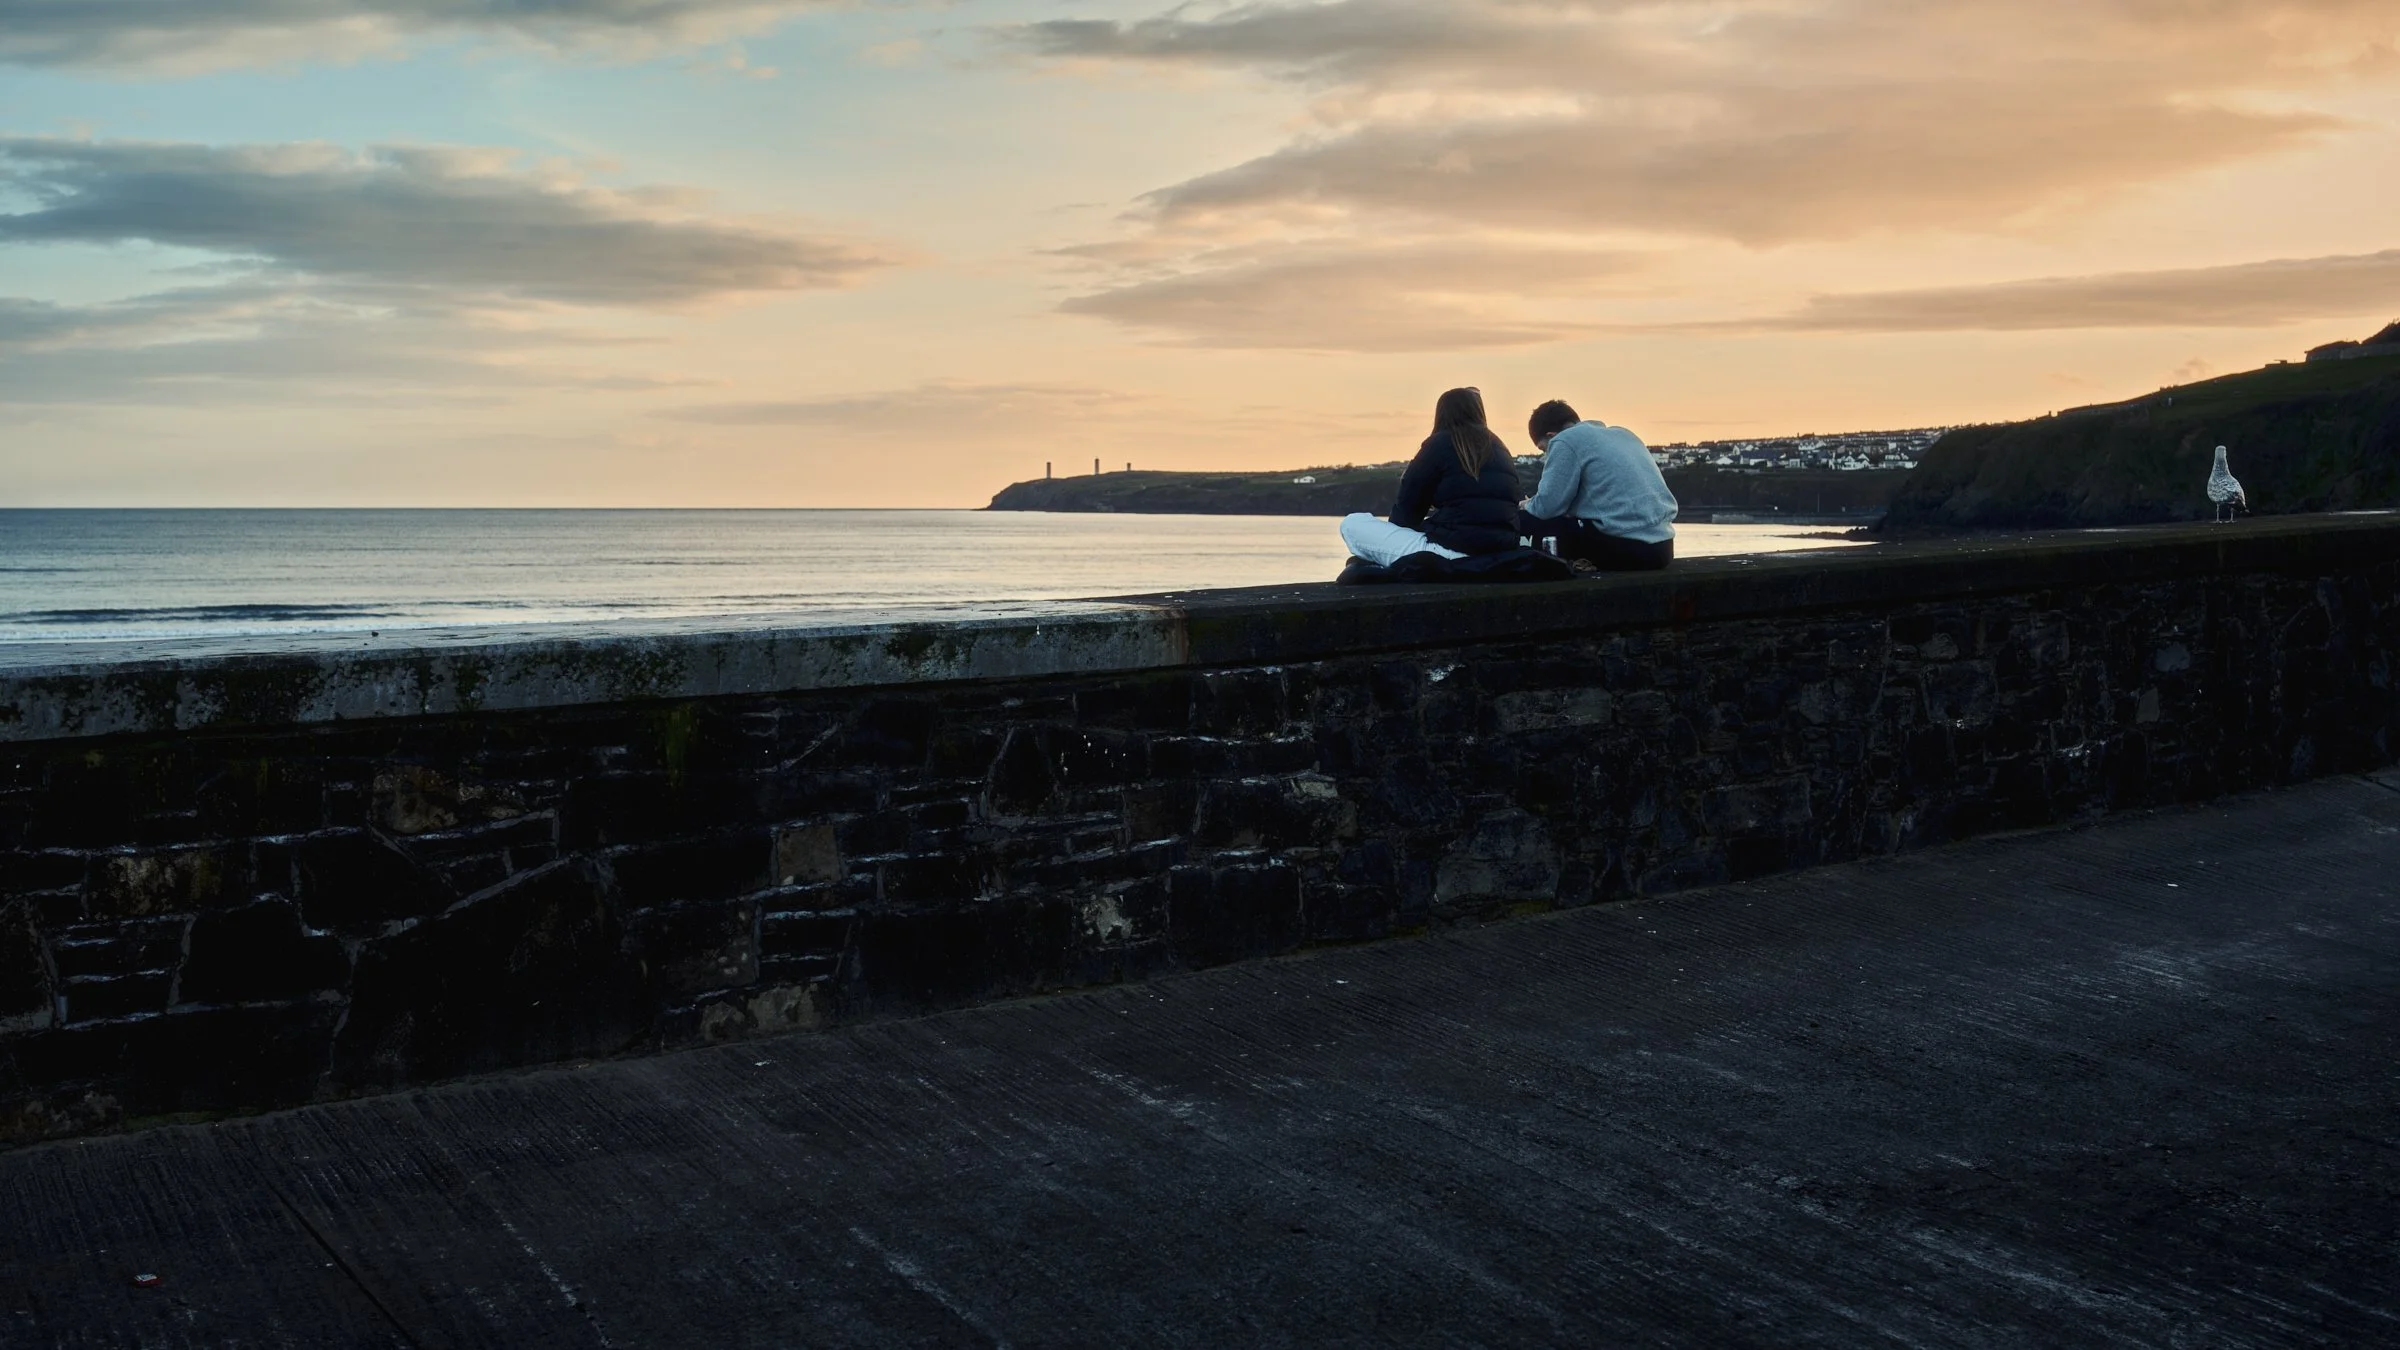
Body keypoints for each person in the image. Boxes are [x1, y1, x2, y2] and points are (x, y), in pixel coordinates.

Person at [1340, 387, 1525, 567]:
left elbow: (1407, 512)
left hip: (1452, 552)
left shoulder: (1439, 443)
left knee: (1352, 524)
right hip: (1501, 551)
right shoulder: (1500, 447)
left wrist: (1392, 539)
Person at [1519, 399, 1676, 570]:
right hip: (1663, 548)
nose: (1546, 456)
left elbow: (1548, 506)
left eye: (1544, 449)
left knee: (1543, 520)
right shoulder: (1623, 434)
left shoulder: (1564, 440)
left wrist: (1525, 505)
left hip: (1629, 549)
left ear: (1551, 435)